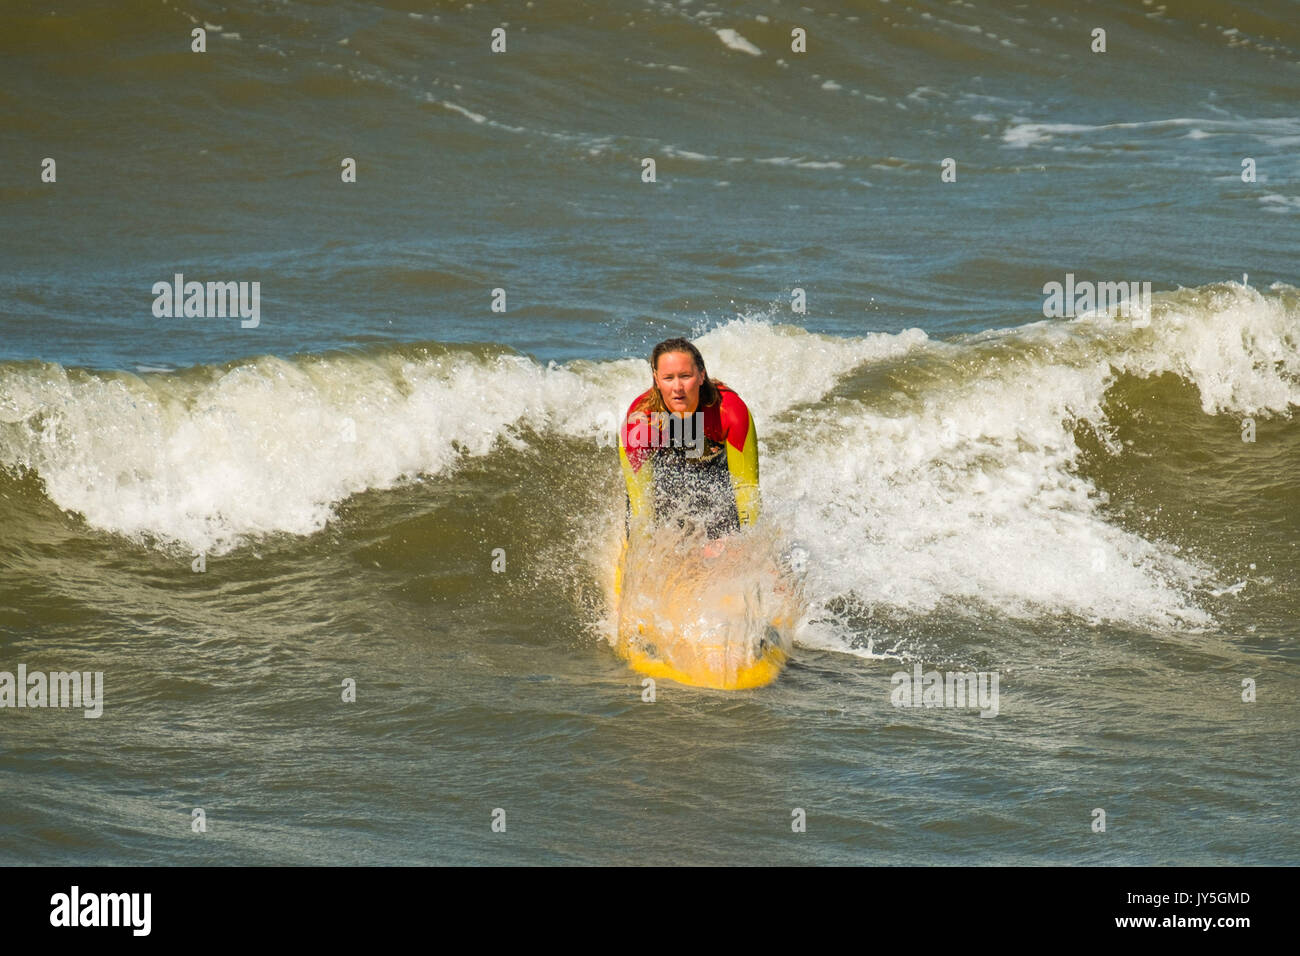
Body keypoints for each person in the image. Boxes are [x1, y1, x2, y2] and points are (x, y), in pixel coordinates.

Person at [617, 338, 759, 555]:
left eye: (685, 376)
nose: (677, 388)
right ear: (656, 379)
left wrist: (751, 548)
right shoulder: (641, 420)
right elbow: (641, 506)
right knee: (654, 541)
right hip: (663, 474)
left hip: (713, 472)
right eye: (668, 378)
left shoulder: (730, 412)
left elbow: (746, 489)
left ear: (701, 375)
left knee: (726, 544)